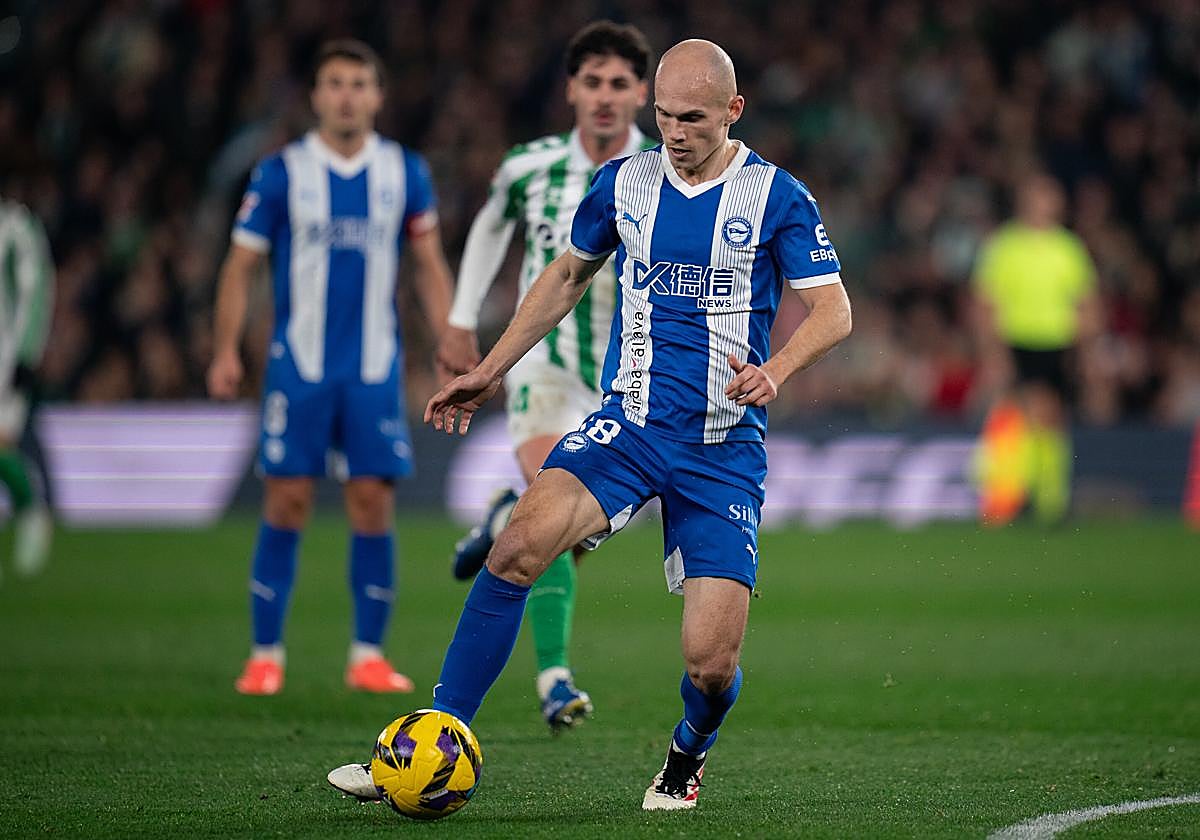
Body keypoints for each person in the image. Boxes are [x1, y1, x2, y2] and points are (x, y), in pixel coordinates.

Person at [329, 39, 852, 809]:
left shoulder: (777, 196)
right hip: (629, 428)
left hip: (723, 448)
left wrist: (775, 369)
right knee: (516, 550)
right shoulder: (625, 183)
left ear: (734, 110)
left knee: (710, 666)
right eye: (665, 116)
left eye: (694, 118)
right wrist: (491, 368)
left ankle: (687, 754)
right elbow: (567, 274)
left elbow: (834, 311)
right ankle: (430, 740)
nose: (675, 132)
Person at [207, 39, 462, 696]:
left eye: (358, 84)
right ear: (316, 96)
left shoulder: (404, 171)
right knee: (287, 498)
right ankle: (265, 654)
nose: (347, 96)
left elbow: (428, 265)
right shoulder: (281, 172)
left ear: (378, 96)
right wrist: (226, 348)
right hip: (300, 366)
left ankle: (368, 655)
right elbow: (240, 265)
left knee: (372, 501)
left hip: (373, 367)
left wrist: (449, 338)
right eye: (335, 84)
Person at [437, 20, 654, 733]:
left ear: (641, 94)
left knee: (565, 531)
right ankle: (555, 679)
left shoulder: (662, 171)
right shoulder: (529, 166)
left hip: (626, 375)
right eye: (592, 82)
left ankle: (504, 516)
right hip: (544, 366)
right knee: (551, 499)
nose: (604, 96)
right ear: (571, 90)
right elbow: (489, 227)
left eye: (619, 83)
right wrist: (461, 318)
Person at [972, 172, 1100, 526]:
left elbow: (1086, 300)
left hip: (1057, 341)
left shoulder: (1067, 248)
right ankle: (1022, 498)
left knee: (1050, 417)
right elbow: (986, 301)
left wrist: (1086, 349)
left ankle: (1046, 498)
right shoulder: (1005, 246)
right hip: (1016, 338)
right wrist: (992, 350)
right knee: (1020, 415)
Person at [0, 197, 54, 582]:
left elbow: (36, 290)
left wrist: (26, 353)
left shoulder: (15, 225)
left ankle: (31, 510)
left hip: (5, 357)